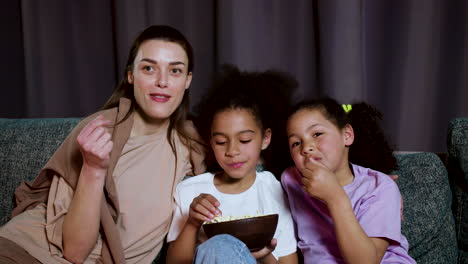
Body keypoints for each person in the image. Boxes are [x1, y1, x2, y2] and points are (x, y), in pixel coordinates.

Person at [0, 25, 206, 264]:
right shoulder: (99, 131)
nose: (162, 81)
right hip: (27, 251)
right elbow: (75, 252)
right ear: (131, 75)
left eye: (175, 71)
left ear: (188, 80)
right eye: (149, 68)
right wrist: (93, 169)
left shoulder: (193, 143)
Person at [165, 66, 299, 264]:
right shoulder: (191, 190)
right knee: (218, 246)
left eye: (244, 140)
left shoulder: (275, 191)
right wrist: (193, 222)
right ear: (210, 142)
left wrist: (264, 255)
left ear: (265, 139)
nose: (232, 151)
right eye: (220, 142)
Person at [281, 97, 416, 263]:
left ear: (347, 135)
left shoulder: (380, 187)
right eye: (295, 143)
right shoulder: (291, 180)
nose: (306, 148)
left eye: (317, 134)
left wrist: (335, 197)